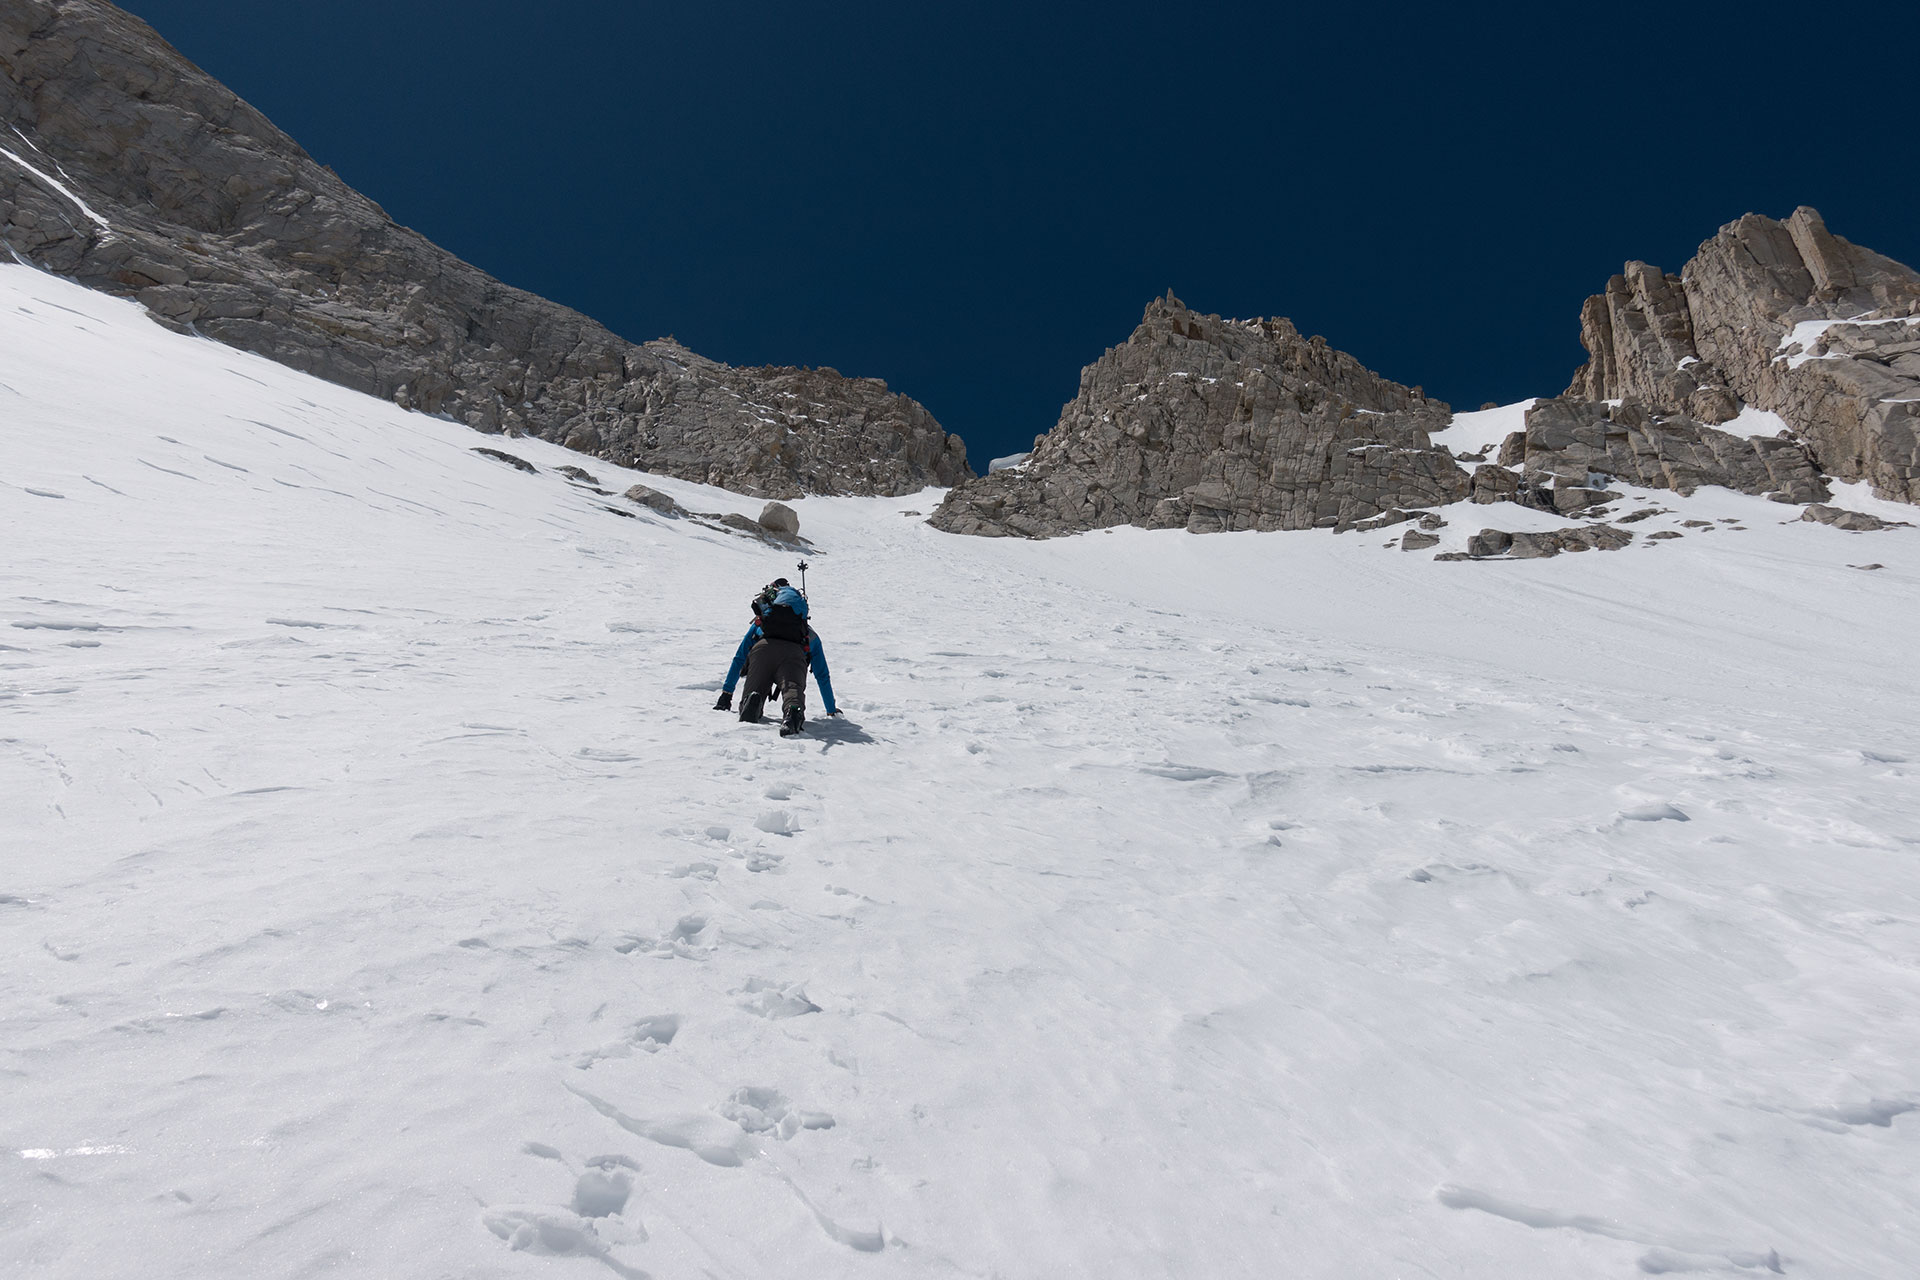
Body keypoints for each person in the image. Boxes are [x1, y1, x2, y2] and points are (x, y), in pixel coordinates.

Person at [713, 578, 838, 736]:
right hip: (794, 654)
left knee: (755, 687)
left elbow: (739, 657)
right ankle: (793, 710)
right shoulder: (808, 634)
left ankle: (751, 700)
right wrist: (831, 710)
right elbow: (822, 675)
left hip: (762, 650)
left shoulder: (762, 624)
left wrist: (726, 694)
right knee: (792, 688)